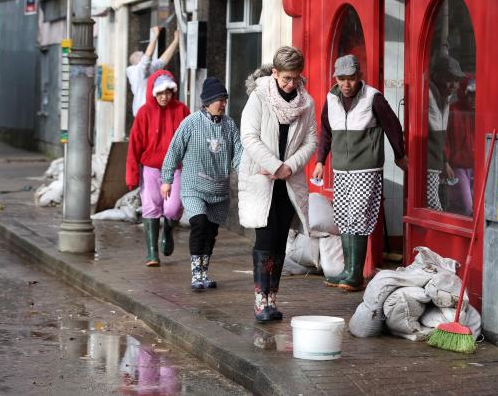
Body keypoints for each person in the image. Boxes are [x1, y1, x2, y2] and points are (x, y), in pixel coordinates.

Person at [313, 54, 408, 291]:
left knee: (357, 216)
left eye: (351, 79)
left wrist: (399, 155)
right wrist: (320, 161)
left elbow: (393, 126)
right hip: (341, 169)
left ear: (359, 77)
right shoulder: (331, 98)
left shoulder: (373, 97)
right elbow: (325, 131)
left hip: (366, 167)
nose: (346, 84)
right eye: (341, 78)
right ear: (335, 77)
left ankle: (355, 274)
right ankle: (347, 270)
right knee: (343, 217)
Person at [238, 46, 317, 322]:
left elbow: (311, 140)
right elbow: (248, 137)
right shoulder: (259, 98)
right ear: (274, 73)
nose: (291, 84)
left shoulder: (306, 102)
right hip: (263, 180)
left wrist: (290, 166)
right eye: (286, 78)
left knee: (281, 240)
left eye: (296, 78)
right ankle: (261, 301)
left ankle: (273, 299)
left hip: (289, 182)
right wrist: (275, 165)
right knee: (266, 238)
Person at [160, 78, 243, 290]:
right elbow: (174, 150)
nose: (222, 103)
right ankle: (196, 274)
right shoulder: (191, 123)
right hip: (193, 186)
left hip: (219, 189)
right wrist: (167, 180)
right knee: (199, 224)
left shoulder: (229, 125)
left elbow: (239, 154)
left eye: (224, 99)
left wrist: (248, 175)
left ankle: (204, 271)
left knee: (211, 231)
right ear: (207, 102)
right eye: (218, 99)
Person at [126, 70, 190, 267]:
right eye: (161, 93)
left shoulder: (182, 111)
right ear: (153, 92)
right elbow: (134, 145)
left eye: (169, 92)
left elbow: (191, 140)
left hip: (176, 168)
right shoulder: (144, 113)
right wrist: (131, 173)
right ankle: (152, 252)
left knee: (174, 207)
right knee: (151, 205)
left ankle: (168, 231)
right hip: (151, 167)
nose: (165, 97)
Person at [426, 54, 465, 211]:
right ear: (438, 76)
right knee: (434, 205)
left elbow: (439, 136)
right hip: (427, 162)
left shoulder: (445, 98)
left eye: (457, 81)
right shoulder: (427, 93)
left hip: (435, 162)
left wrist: (445, 161)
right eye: (449, 79)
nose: (454, 85)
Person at [126, 27, 180, 117]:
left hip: (152, 111)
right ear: (139, 61)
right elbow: (149, 54)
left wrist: (176, 41)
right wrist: (155, 35)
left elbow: (163, 60)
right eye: (141, 54)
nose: (143, 53)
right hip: (145, 114)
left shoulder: (149, 69)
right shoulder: (139, 71)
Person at [444, 78, 475, 216]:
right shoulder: (453, 110)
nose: (473, 99)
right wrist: (445, 163)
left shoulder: (481, 111)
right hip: (457, 167)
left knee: (478, 209)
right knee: (466, 207)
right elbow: (445, 139)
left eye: (476, 95)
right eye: (470, 95)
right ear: (464, 94)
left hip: (478, 167)